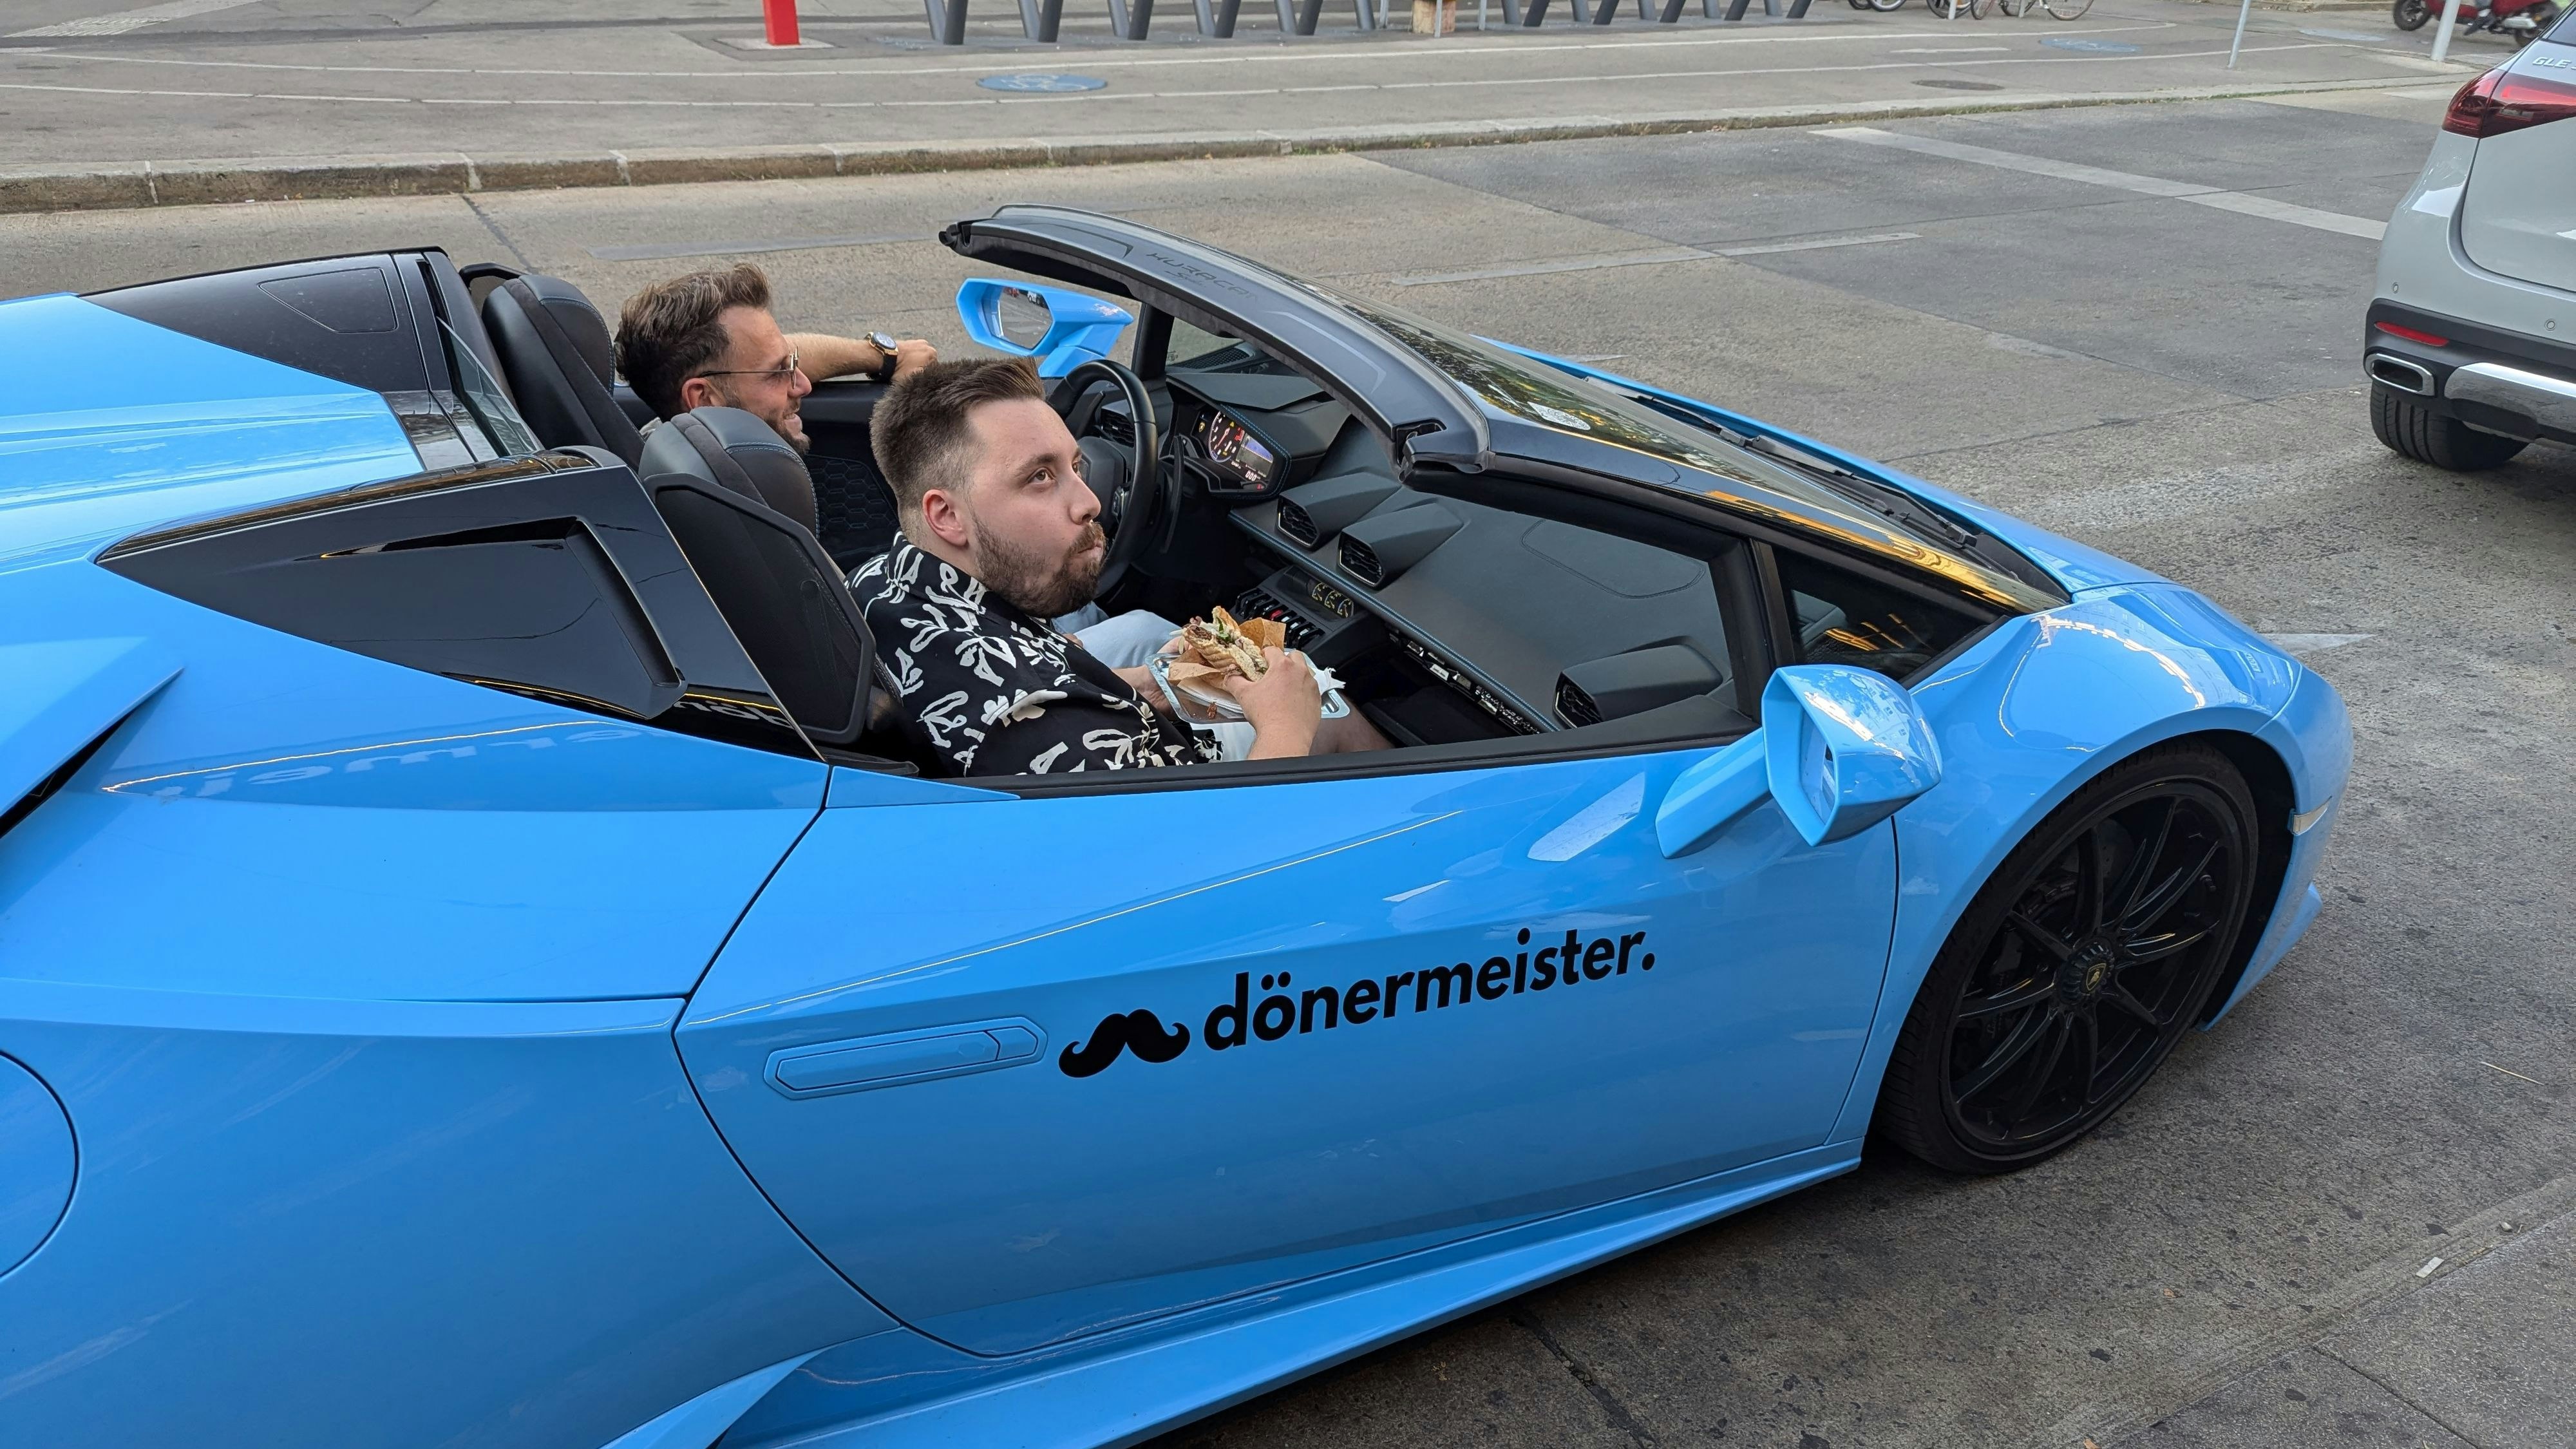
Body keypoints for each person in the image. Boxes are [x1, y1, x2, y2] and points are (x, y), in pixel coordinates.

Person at [851, 356, 1388, 777]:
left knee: (1151, 633)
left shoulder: (887, 580)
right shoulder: (1050, 740)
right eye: (1039, 476)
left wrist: (1165, 686)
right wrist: (1285, 727)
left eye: (1075, 465)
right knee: (1321, 699)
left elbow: (1040, 661)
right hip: (1196, 804)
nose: (1088, 502)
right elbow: (1212, 861)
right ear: (946, 515)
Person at [612, 263, 937, 453]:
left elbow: (749, 363)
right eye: (779, 372)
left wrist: (888, 355)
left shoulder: (675, 451)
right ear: (703, 398)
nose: (804, 385)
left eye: (792, 363)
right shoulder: (748, 500)